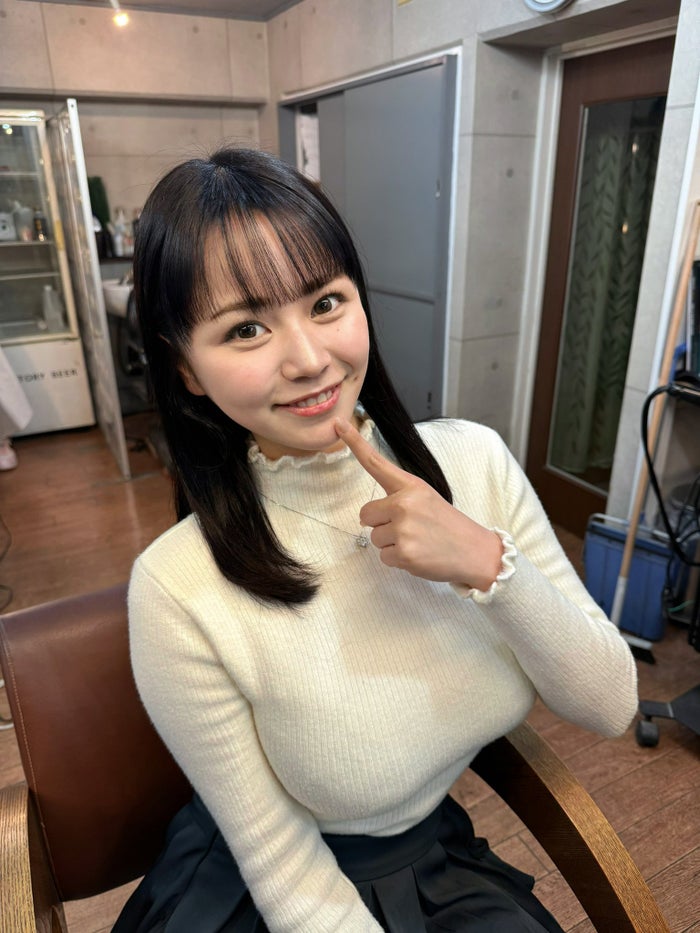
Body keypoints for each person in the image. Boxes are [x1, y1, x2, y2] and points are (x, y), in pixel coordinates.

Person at [114, 148, 638, 933]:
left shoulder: (476, 462)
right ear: (185, 368)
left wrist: (489, 565)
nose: (309, 359)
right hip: (269, 893)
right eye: (247, 328)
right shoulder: (177, 584)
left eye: (326, 302)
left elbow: (611, 704)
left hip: (433, 860)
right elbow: (282, 867)